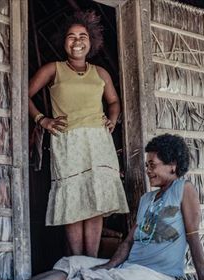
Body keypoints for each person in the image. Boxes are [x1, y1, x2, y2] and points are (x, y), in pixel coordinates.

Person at [0, 134, 204, 280]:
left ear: (172, 166)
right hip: (128, 268)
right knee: (73, 263)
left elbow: (193, 237)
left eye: (153, 165)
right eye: (147, 164)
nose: (148, 170)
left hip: (156, 277)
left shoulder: (184, 189)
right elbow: (129, 243)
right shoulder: (147, 199)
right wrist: (109, 265)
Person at [29, 10, 129, 257]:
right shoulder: (53, 69)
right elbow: (23, 94)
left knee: (95, 202)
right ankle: (76, 262)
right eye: (71, 36)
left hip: (98, 142)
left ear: (91, 41)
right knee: (73, 202)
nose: (77, 41)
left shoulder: (100, 73)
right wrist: (42, 119)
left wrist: (113, 120)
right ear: (64, 41)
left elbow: (114, 102)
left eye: (82, 36)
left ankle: (92, 262)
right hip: (69, 141)